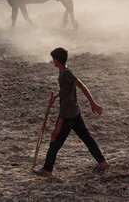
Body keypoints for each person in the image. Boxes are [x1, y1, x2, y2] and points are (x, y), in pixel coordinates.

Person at [36, 47, 109, 177]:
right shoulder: (65, 71)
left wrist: (92, 103)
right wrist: (56, 97)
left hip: (66, 114)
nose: (52, 61)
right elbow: (66, 89)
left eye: (53, 59)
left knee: (55, 139)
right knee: (86, 137)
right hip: (75, 112)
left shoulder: (66, 73)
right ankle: (102, 161)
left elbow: (82, 86)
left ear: (57, 60)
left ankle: (47, 169)